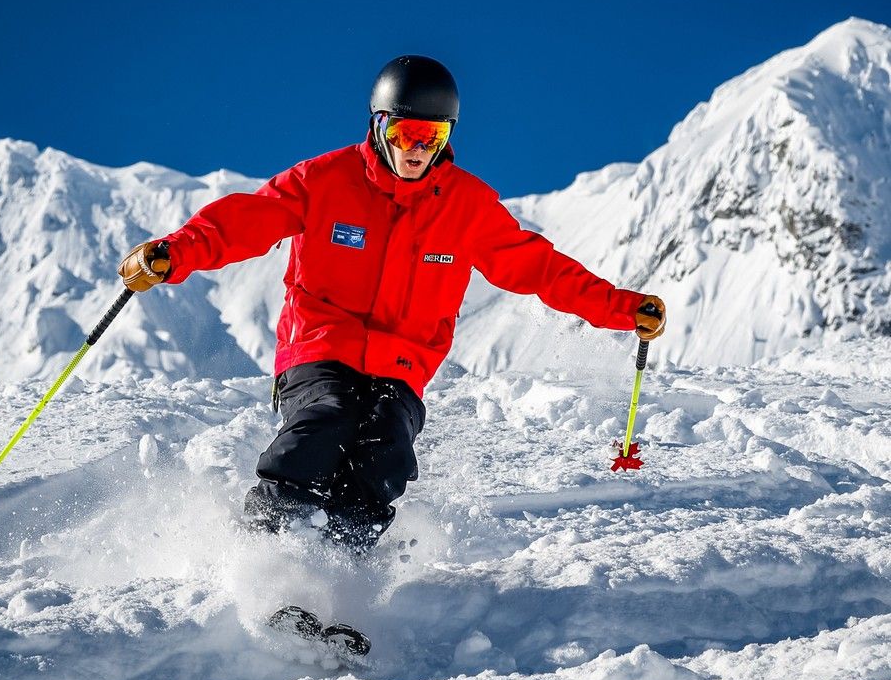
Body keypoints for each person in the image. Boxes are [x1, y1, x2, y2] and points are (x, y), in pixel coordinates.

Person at [118, 55, 666, 553]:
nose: (415, 149)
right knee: (328, 421)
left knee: (387, 450)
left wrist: (624, 307)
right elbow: (245, 221)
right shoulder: (324, 181)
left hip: (403, 364)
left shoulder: (468, 207)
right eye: (404, 132)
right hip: (320, 347)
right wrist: (174, 253)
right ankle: (263, 548)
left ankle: (335, 567)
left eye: (431, 135)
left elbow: (541, 269)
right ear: (379, 126)